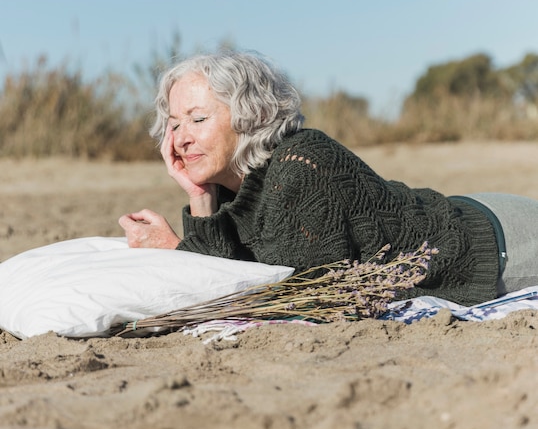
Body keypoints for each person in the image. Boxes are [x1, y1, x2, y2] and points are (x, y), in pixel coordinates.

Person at [119, 49, 538, 307]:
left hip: (496, 244)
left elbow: (289, 297)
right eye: (174, 124)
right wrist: (198, 196)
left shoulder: (300, 165)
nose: (182, 138)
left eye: (197, 118)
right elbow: (229, 272)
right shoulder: (229, 185)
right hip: (457, 210)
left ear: (252, 114)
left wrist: (176, 247)